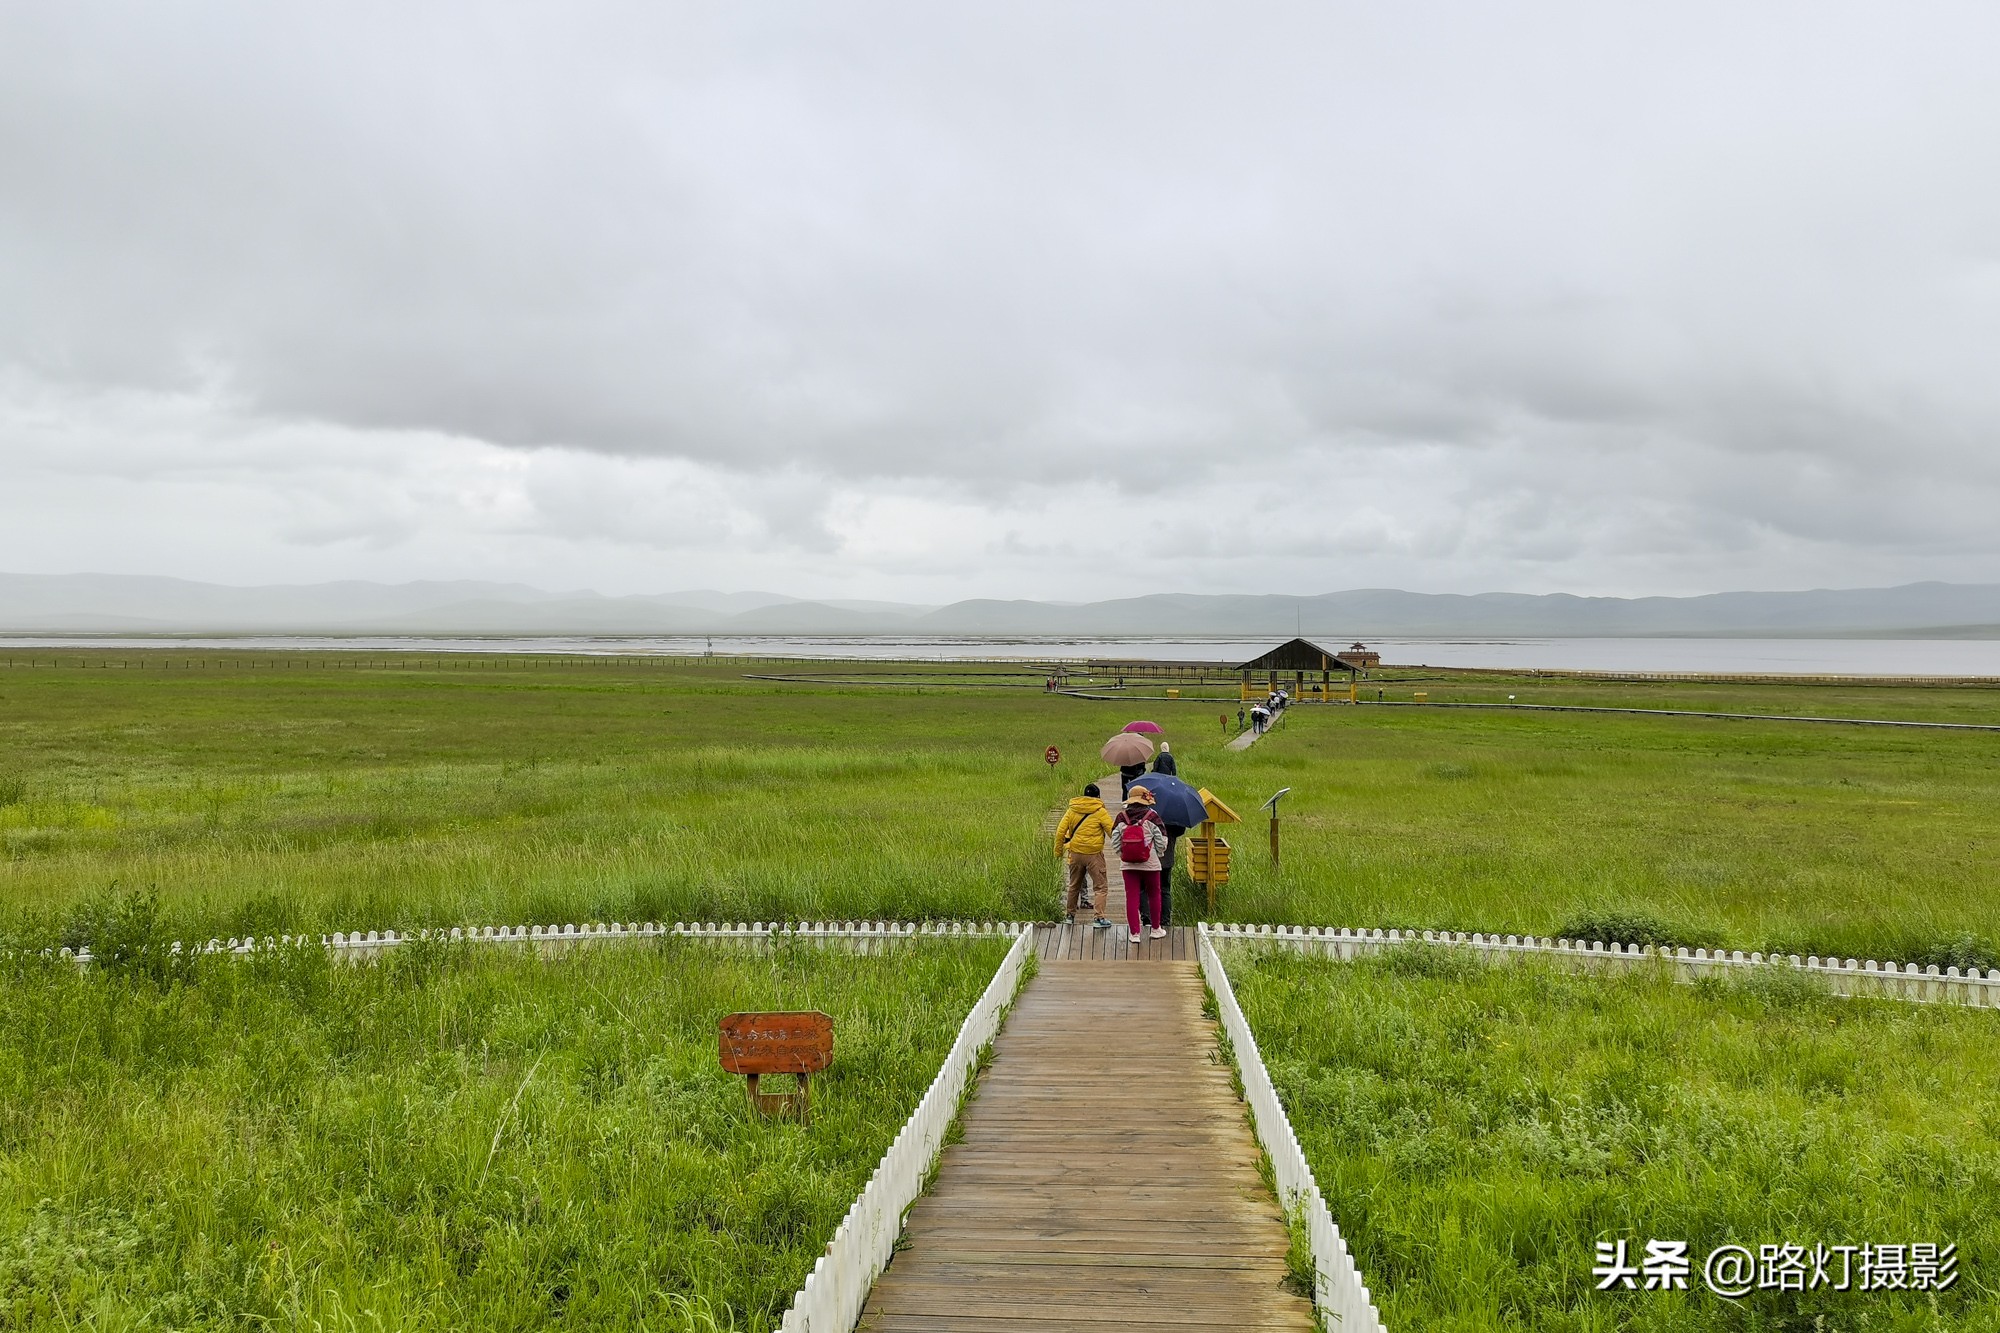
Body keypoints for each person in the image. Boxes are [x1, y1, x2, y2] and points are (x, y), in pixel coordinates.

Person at [1054, 782, 1117, 928]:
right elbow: (1112, 832)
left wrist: (1058, 852)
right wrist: (1122, 850)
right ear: (1098, 796)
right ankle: (1098, 918)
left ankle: (1069, 916)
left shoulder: (1072, 810)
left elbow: (1060, 832)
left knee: (1074, 885)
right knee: (1100, 887)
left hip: (1075, 853)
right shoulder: (1100, 811)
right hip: (1094, 854)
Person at [1109, 787, 1168, 943]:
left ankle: (1135, 933)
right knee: (1154, 895)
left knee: (1131, 897)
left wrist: (1123, 854)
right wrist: (1157, 853)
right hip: (1151, 864)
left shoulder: (1121, 818)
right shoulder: (1152, 817)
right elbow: (1162, 840)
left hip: (1128, 865)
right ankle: (1156, 929)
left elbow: (1114, 840)